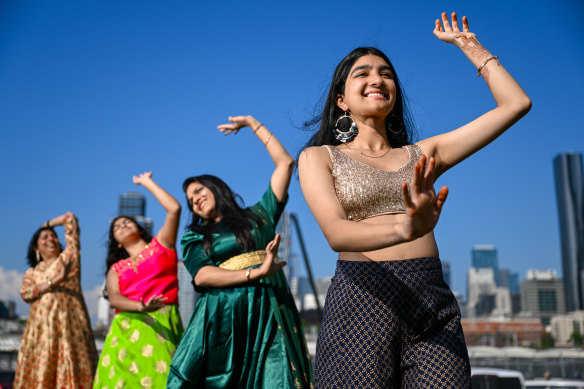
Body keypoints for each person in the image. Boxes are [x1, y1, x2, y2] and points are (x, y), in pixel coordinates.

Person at [298, 12, 531, 388]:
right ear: (341, 100)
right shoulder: (320, 157)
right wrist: (405, 226)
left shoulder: (423, 153)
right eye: (363, 73)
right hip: (362, 298)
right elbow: (336, 233)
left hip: (430, 301)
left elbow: (515, 104)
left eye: (386, 73)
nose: (377, 78)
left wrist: (470, 47)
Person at [167, 115, 314, 388]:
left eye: (199, 191)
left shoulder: (259, 216)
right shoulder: (194, 236)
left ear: (215, 188)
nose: (195, 199)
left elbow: (285, 163)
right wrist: (256, 272)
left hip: (269, 307)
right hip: (222, 315)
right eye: (190, 200)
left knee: (277, 376)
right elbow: (201, 276)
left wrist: (251, 123)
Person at [93, 172, 184, 389]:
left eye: (127, 222)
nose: (122, 225)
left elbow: (174, 209)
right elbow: (114, 298)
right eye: (116, 226)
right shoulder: (116, 269)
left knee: (162, 380)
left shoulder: (162, 244)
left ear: (139, 228)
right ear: (115, 242)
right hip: (125, 326)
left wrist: (147, 182)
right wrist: (140, 306)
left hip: (161, 321)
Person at [14, 212, 98, 388]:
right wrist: (56, 280)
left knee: (71, 369)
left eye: (53, 236)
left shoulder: (68, 257)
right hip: (42, 331)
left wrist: (47, 224)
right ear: (36, 249)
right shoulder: (32, 273)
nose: (51, 239)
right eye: (44, 237)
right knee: (42, 371)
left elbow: (71, 219)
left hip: (71, 327)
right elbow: (26, 293)